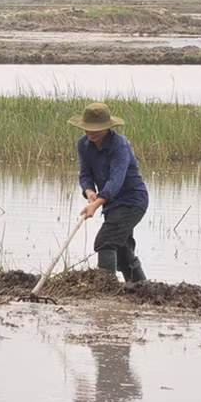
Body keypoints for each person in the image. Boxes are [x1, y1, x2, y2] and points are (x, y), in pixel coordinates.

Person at [68, 102, 149, 282]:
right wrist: (89, 192)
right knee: (122, 251)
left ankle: (105, 289)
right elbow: (85, 174)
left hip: (132, 201)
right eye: (87, 129)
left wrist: (96, 205)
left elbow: (116, 181)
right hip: (111, 204)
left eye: (96, 129)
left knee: (105, 241)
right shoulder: (83, 145)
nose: (91, 133)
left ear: (107, 127)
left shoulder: (119, 145)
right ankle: (141, 288)